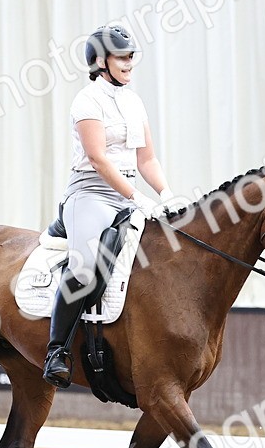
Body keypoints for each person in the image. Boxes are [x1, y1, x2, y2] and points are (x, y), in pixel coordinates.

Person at [42, 24, 176, 389]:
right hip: (91, 194)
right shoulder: (87, 101)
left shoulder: (134, 102)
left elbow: (147, 159)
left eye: (131, 56)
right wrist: (136, 198)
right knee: (85, 266)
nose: (129, 63)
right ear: (101, 61)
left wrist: (166, 194)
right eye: (122, 57)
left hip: (128, 193)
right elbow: (98, 159)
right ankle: (57, 351)